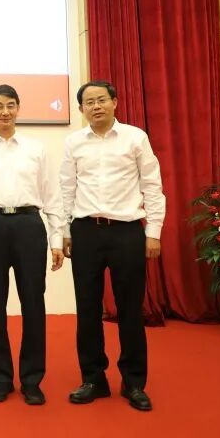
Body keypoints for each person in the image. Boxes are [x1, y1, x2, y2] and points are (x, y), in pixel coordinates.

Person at [60, 80, 165, 412]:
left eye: (101, 100)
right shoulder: (73, 142)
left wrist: (154, 231)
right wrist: (64, 231)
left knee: (130, 309)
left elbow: (152, 184)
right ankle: (93, 379)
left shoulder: (135, 137)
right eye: (89, 102)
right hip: (85, 231)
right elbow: (66, 188)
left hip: (127, 232)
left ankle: (133, 383)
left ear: (115, 102)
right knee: (87, 309)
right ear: (81, 109)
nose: (96, 106)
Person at [0, 84, 65, 406]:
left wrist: (56, 238)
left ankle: (32, 380)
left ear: (18, 108)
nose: (4, 112)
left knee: (33, 302)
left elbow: (52, 196)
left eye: (10, 105)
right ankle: (1, 378)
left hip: (29, 225)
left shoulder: (36, 149)